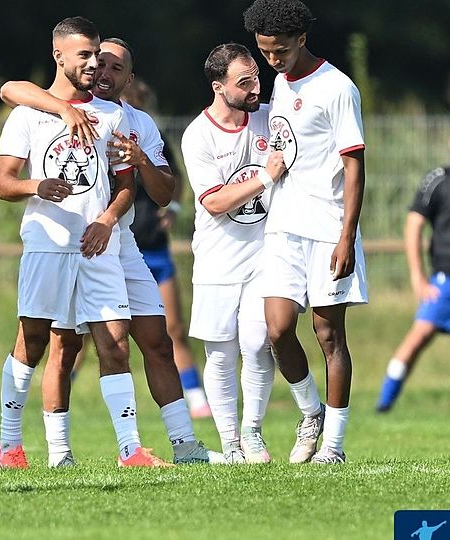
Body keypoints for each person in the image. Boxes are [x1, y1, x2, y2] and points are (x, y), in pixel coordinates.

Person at [0, 37, 221, 465]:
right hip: (62, 243)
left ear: (128, 78)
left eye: (114, 67)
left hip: (118, 244)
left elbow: (158, 192)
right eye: (96, 62)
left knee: (151, 340)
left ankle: (177, 446)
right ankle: (44, 449)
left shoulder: (129, 120)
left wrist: (136, 166)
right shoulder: (46, 107)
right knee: (58, 345)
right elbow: (9, 90)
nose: (102, 71)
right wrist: (63, 110)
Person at [0, 17, 163, 469]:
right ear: (59, 56)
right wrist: (37, 187)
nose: (93, 63)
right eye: (84, 55)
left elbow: (126, 185)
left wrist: (108, 220)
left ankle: (130, 449)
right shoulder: (29, 114)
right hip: (47, 246)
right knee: (33, 342)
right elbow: (3, 183)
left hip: (96, 248)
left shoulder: (112, 114)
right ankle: (9, 445)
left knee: (115, 343)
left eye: (97, 55)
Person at [245, 0, 368, 464]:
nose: (272, 60)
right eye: (264, 51)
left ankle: (332, 446)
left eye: (279, 51)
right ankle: (309, 413)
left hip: (326, 229)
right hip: (283, 228)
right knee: (276, 329)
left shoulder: (337, 88)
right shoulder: (278, 82)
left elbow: (354, 166)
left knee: (328, 333)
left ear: (301, 38)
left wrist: (346, 235)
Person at [180, 43, 285, 463]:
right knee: (221, 352)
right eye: (245, 82)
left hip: (266, 253)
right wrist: (265, 176)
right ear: (218, 87)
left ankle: (253, 432)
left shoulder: (269, 118)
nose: (256, 87)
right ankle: (229, 442)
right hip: (218, 258)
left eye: (256, 77)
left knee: (258, 342)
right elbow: (215, 202)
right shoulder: (198, 134)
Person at [377, 116, 450, 412]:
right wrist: (418, 276)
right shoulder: (438, 180)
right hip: (449, 281)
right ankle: (384, 403)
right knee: (417, 339)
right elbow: (413, 226)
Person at [130, 137, 211, 419]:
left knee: (173, 328)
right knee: (90, 335)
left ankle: (196, 398)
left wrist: (174, 208)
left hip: (155, 251)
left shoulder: (151, 135)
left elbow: (174, 178)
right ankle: (62, 396)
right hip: (120, 253)